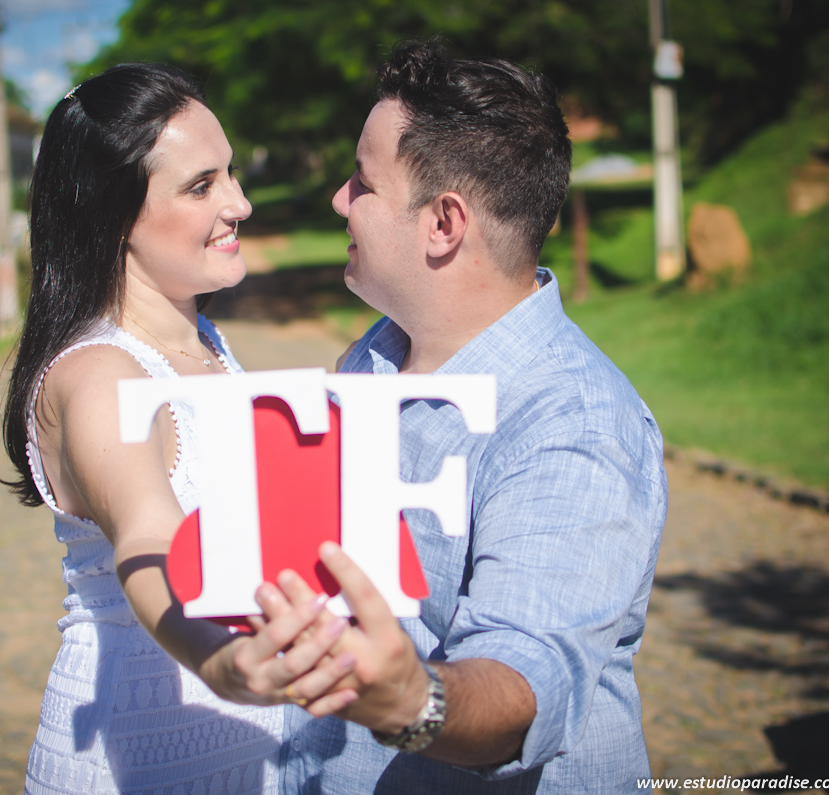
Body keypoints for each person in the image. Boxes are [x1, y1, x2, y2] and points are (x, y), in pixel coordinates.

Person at [265, 40, 669, 793]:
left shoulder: (571, 425)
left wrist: (411, 700)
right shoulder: (377, 355)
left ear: (443, 224)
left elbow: (523, 682)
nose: (338, 200)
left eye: (363, 182)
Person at [1, 63, 356, 795]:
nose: (241, 203)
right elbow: (150, 538)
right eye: (202, 186)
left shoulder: (209, 347)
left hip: (243, 752)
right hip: (142, 756)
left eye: (229, 174)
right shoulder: (102, 374)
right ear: (114, 213)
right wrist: (221, 662)